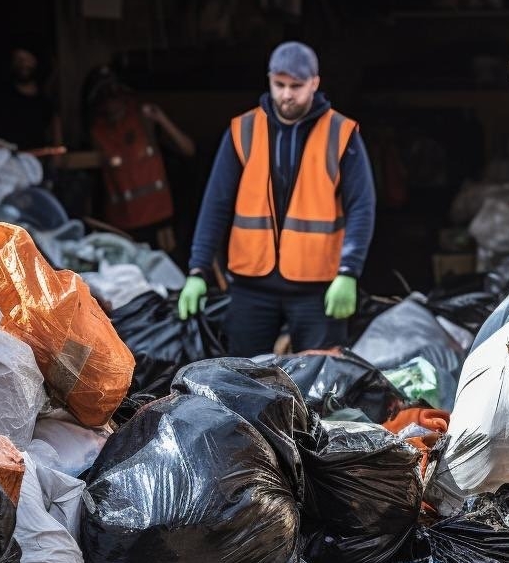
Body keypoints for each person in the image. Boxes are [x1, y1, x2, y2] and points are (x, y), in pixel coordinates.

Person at [176, 42, 374, 356]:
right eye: (279, 85)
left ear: (315, 83)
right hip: (251, 287)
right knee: (243, 383)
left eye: (296, 86)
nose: (286, 95)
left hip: (317, 288)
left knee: (322, 387)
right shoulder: (243, 130)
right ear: (269, 80)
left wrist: (349, 272)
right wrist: (198, 270)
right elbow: (215, 204)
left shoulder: (341, 133)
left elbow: (361, 207)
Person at [85, 68, 195, 251]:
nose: (112, 101)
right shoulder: (96, 131)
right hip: (123, 224)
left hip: (160, 220)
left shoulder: (144, 118)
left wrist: (161, 119)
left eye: (115, 93)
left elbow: (188, 149)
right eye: (104, 96)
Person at [0, 47, 62, 151]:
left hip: (32, 163)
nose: (23, 64)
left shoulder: (46, 105)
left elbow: (56, 146)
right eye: (18, 59)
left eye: (28, 59)